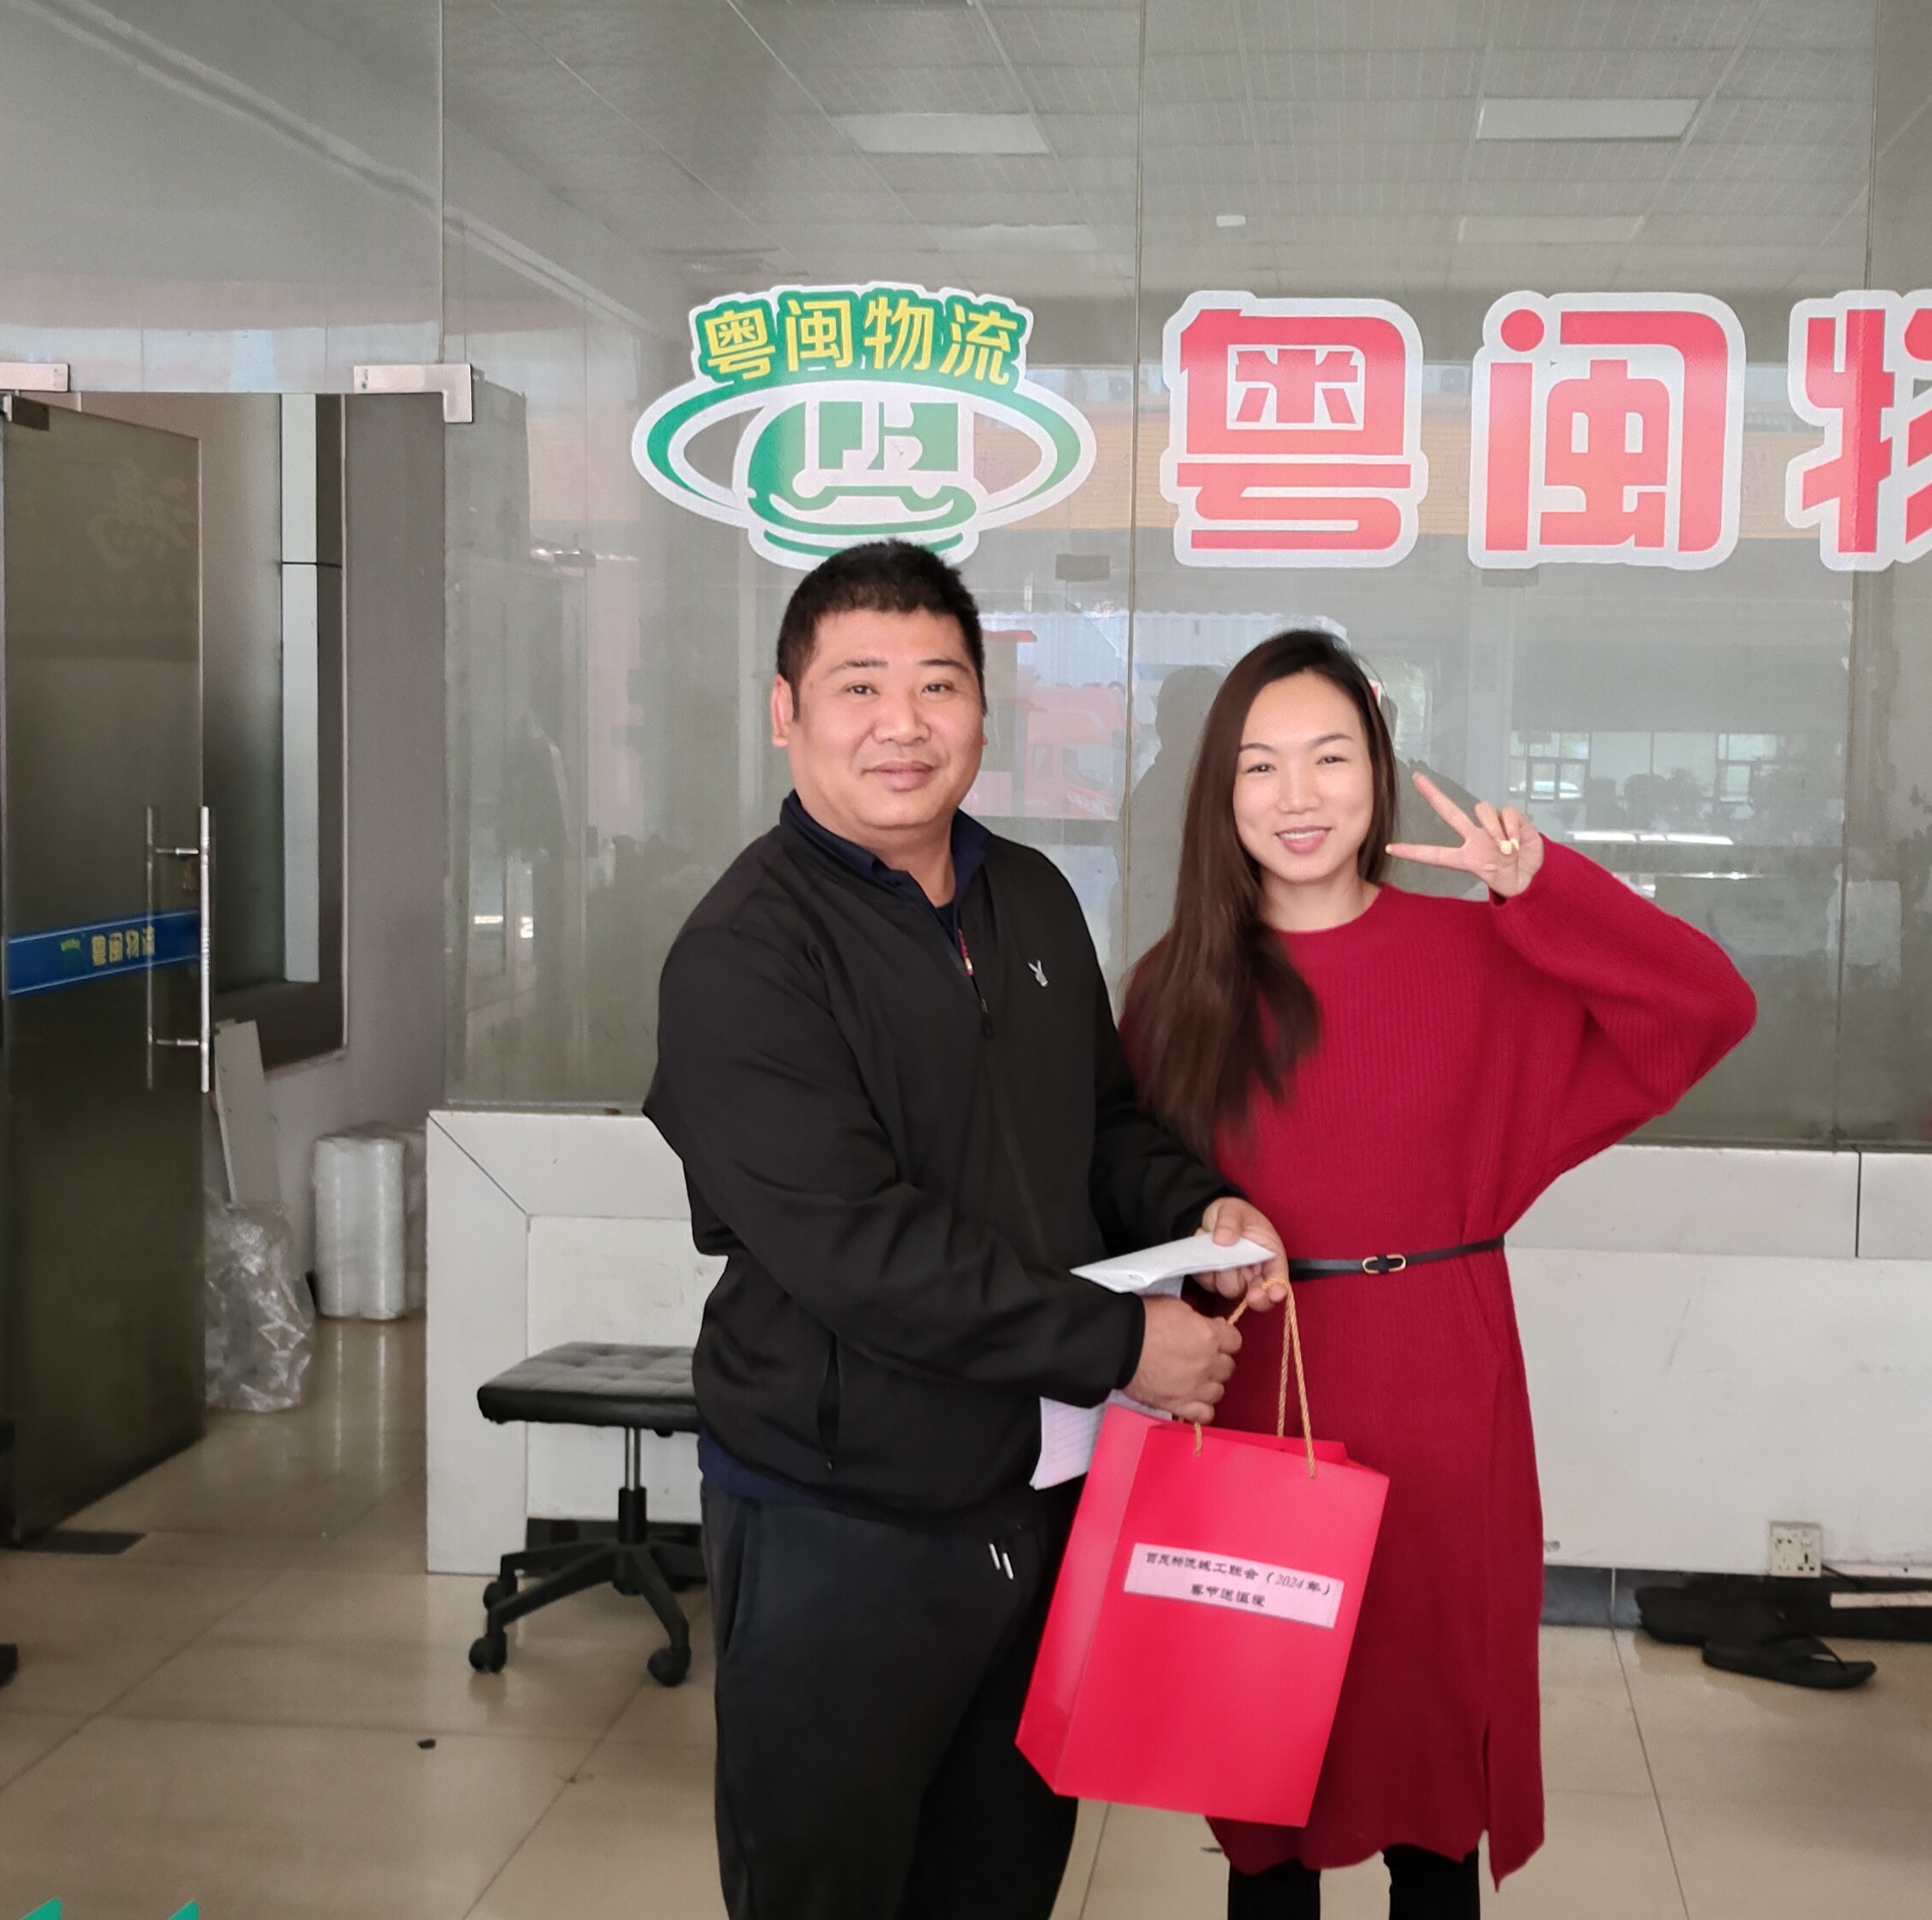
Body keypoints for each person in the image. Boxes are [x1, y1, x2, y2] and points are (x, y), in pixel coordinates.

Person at [645, 540, 1291, 1920]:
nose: (903, 722)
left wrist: (1195, 1204)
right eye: (859, 684)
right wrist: (1120, 1344)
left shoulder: (1031, 898)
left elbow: (1094, 1124)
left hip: (1038, 1497)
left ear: (983, 712)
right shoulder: (746, 953)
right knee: (830, 1889)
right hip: (841, 1514)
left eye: (938, 684)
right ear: (784, 711)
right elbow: (856, 1249)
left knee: (1000, 1875)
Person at [1122, 630, 1756, 1918]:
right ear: (1219, 794)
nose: (1298, 797)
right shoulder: (1174, 987)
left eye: (1330, 758)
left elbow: (1705, 1009)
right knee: (1265, 1798)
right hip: (1255, 1401)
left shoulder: (1478, 957)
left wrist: (1544, 891)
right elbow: (1125, 1188)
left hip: (1445, 1405)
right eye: (1260, 766)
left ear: (1380, 771)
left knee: (1432, 1793)